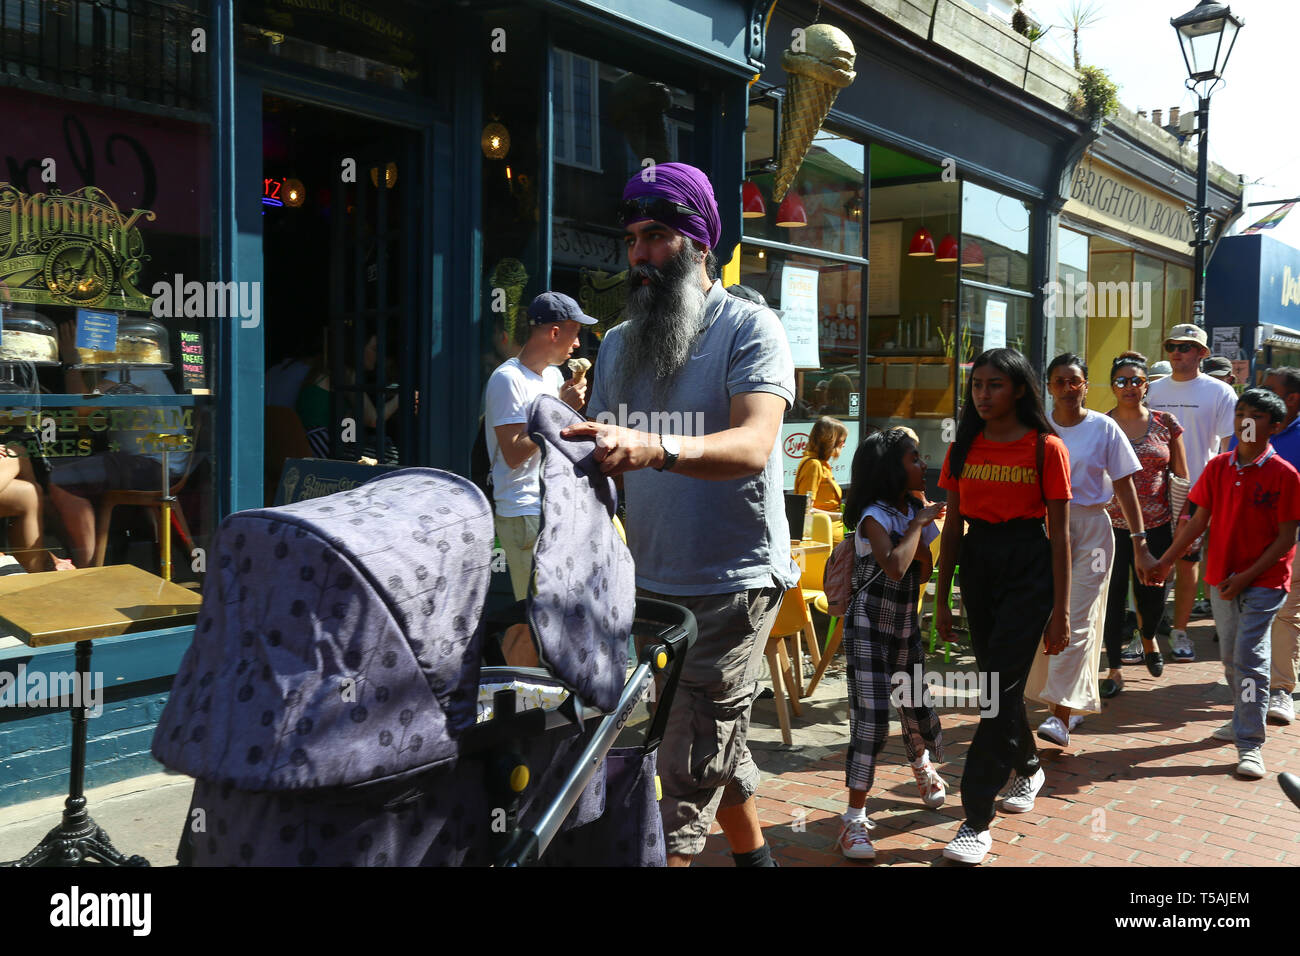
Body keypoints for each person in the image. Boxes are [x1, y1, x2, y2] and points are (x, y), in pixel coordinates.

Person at [563, 161, 796, 868]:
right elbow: (602, 448)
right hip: (653, 585)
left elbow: (755, 444)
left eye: (658, 235)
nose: (639, 254)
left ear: (700, 244)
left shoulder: (751, 329)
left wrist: (652, 447)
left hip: (732, 584)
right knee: (704, 736)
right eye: (633, 238)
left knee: (684, 773)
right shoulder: (618, 344)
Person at [935, 347, 1071, 865]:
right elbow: (952, 529)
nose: (984, 395)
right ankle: (1029, 763)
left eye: (995, 385)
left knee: (994, 688)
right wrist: (944, 597)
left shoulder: (1046, 447)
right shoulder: (963, 446)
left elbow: (1059, 538)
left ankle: (974, 818)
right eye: (977, 386)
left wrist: (1059, 610)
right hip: (978, 563)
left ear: (1018, 389)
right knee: (998, 680)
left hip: (1029, 564)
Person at [1150, 388, 1300, 779]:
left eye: (1255, 415)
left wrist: (1246, 577)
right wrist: (1164, 561)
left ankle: (1250, 743)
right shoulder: (1218, 467)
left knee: (1250, 656)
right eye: (1240, 413)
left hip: (1264, 581)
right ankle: (1241, 718)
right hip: (1219, 577)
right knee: (1232, 659)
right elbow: (1197, 521)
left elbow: (1286, 539)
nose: (1244, 421)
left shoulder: (1286, 475)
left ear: (1276, 426)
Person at [1026, 354, 1151, 747]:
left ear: (1086, 384)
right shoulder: (1036, 428)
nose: (1067, 388)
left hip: (1093, 531)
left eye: (1074, 381)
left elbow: (1125, 484)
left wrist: (1139, 539)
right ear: (1048, 386)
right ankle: (1071, 702)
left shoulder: (1105, 427)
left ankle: (1059, 716)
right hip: (1045, 529)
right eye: (1059, 381)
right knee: (1046, 615)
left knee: (1076, 618)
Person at [836, 428, 946, 860]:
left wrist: (917, 527)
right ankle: (853, 821)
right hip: (867, 625)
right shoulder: (873, 515)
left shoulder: (911, 508)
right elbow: (899, 567)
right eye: (914, 458)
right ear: (891, 469)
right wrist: (918, 526)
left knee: (915, 705)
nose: (923, 464)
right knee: (873, 717)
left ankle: (922, 767)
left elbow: (928, 563)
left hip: (903, 621)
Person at [484, 292, 594, 601]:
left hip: (552, 508)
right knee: (535, 615)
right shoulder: (507, 379)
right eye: (575, 334)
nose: (577, 344)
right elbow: (514, 453)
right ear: (555, 332)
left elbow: (556, 440)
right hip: (524, 513)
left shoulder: (553, 376)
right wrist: (557, 408)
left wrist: (566, 408)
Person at [1144, 324, 1238, 663]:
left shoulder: (1220, 392)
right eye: (1172, 345)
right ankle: (1143, 634)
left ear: (1201, 353)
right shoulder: (1150, 390)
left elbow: (1229, 449)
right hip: (1152, 490)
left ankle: (1180, 630)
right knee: (1146, 562)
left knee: (1186, 563)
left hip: (1198, 491)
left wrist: (1223, 494)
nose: (1177, 352)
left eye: (1185, 346)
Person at [1099, 351, 1187, 698]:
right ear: (1112, 387)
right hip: (1111, 526)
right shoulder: (1103, 425)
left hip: (1158, 525)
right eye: (1122, 381)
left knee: (1152, 596)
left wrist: (1185, 523)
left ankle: (1148, 637)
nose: (1129, 387)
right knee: (1113, 596)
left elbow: (1181, 476)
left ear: (1146, 385)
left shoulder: (1166, 423)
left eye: (1136, 380)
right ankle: (1115, 668)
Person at [1259, 367, 1300, 725]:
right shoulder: (1249, 429)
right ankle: (1261, 687)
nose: (1262, 394)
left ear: (1292, 399)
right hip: (1250, 543)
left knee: (1286, 614)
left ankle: (1281, 690)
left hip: (1293, 540)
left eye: (1270, 389)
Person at [794, 416, 848, 543]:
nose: (843, 444)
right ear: (830, 441)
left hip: (830, 538)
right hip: (822, 540)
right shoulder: (814, 465)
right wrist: (840, 516)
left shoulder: (821, 464)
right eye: (842, 440)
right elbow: (806, 509)